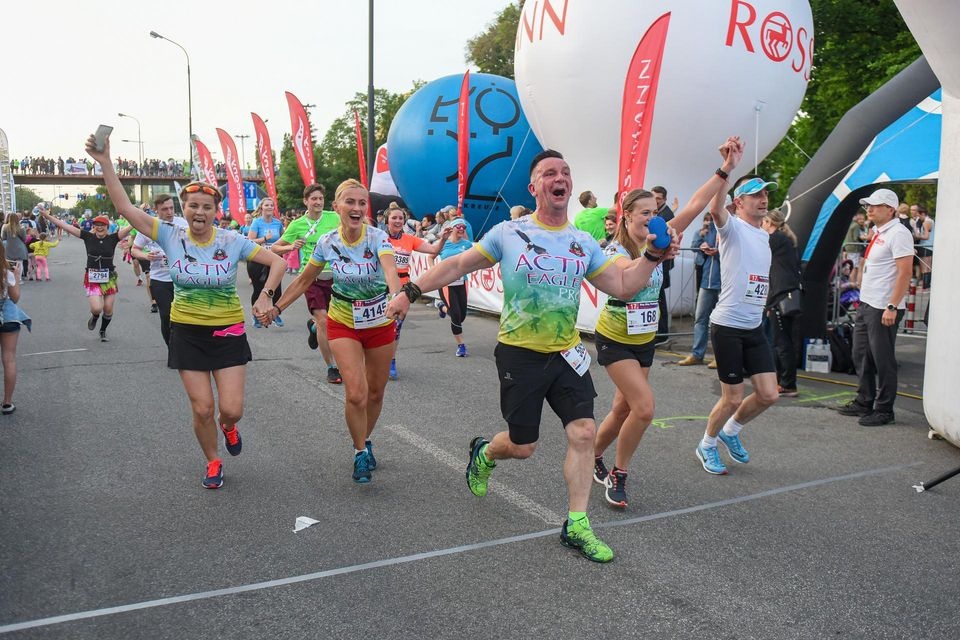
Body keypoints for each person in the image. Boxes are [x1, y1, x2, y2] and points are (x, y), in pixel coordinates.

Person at [386, 149, 681, 563]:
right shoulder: (509, 232)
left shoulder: (582, 242)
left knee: (583, 432)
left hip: (566, 353)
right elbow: (457, 266)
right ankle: (485, 452)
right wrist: (409, 291)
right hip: (519, 354)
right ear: (534, 187)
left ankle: (576, 524)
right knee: (523, 446)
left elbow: (622, 285)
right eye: (549, 173)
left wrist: (651, 256)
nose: (560, 178)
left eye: (565, 172)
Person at [87, 132, 286, 489]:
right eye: (193, 206)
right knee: (202, 408)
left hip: (228, 332)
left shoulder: (231, 240)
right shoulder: (170, 235)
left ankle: (229, 426)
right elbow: (126, 209)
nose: (199, 212)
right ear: (185, 209)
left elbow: (278, 263)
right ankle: (212, 461)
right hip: (188, 333)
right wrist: (105, 163)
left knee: (231, 409)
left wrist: (265, 296)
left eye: (207, 207)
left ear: (215, 212)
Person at [592, 142, 741, 508]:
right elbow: (626, 276)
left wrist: (726, 169)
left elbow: (695, 204)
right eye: (643, 212)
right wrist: (653, 254)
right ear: (626, 216)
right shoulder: (614, 250)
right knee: (644, 409)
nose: (650, 217)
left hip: (644, 340)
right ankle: (619, 474)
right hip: (615, 339)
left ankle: (590, 454)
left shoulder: (661, 235)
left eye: (654, 211)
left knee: (622, 409)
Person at [263, 179, 401, 484]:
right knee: (356, 393)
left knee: (376, 392)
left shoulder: (377, 237)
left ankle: (366, 438)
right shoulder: (327, 242)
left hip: (379, 321)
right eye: (350, 202)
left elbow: (390, 269)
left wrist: (397, 296)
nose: (357, 208)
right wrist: (276, 308)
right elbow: (303, 280)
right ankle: (359, 451)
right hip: (343, 322)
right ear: (337, 207)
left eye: (362, 203)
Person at [668, 152, 781, 476]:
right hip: (728, 325)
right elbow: (716, 209)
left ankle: (730, 432)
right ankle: (706, 444)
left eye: (765, 193)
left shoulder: (765, 235)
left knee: (769, 394)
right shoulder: (731, 228)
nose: (763, 199)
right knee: (732, 398)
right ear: (739, 202)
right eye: (756, 194)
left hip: (753, 326)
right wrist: (727, 170)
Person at [837, 189, 913, 426]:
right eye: (867, 205)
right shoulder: (880, 231)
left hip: (883, 306)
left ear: (890, 209)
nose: (869, 209)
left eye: (875, 205)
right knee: (860, 354)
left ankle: (884, 409)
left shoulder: (899, 233)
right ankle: (864, 400)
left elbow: (905, 273)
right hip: (868, 302)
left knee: (883, 359)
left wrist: (892, 306)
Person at [271, 184, 343, 384]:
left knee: (336, 322)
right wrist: (290, 247)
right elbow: (275, 248)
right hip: (311, 278)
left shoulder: (334, 217)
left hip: (336, 278)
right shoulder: (297, 225)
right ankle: (332, 367)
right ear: (306, 201)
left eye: (320, 198)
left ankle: (313, 328)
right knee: (324, 321)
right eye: (314, 199)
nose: (318, 202)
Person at [41, 211, 132, 342]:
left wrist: (140, 215)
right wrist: (48, 216)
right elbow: (65, 226)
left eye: (102, 225)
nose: (100, 227)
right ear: (93, 226)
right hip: (92, 277)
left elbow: (131, 226)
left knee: (108, 308)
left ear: (107, 226)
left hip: (109, 277)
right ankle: (95, 316)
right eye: (97, 225)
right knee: (97, 308)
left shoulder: (113, 238)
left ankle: (103, 331)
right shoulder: (88, 236)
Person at [384, 202, 448, 380]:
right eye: (394, 218)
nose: (398, 221)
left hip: (403, 288)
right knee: (379, 324)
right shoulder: (380, 238)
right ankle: (375, 357)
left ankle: (391, 361)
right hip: (382, 286)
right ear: (387, 220)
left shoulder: (409, 239)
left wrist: (443, 238)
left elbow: (434, 249)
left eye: (401, 218)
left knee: (396, 327)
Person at [130, 193, 186, 346]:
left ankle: (182, 347)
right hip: (160, 279)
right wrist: (146, 256)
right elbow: (134, 250)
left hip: (182, 278)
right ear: (156, 210)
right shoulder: (150, 226)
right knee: (166, 315)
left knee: (184, 317)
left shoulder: (182, 224)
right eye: (165, 209)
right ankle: (171, 348)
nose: (169, 212)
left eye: (171, 208)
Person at [763, 208, 802, 397]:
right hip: (785, 294)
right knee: (783, 340)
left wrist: (769, 302)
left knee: (782, 342)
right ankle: (782, 380)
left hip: (781, 295)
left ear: (770, 222)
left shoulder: (775, 239)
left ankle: (787, 383)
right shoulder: (786, 240)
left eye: (764, 222)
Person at [435, 219, 474, 357]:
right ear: (452, 229)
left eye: (464, 227)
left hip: (462, 282)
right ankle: (461, 346)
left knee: (462, 316)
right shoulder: (443, 244)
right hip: (446, 283)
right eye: (458, 226)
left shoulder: (467, 244)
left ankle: (441, 307)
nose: (462, 228)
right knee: (456, 315)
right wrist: (434, 271)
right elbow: (431, 256)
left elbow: (474, 259)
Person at [0, 242, 31, 415]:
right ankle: (7, 402)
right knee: (9, 358)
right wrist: (17, 277)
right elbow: (15, 298)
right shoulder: (6, 273)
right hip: (8, 316)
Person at [246, 197, 285, 328]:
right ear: (261, 207)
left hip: (275, 260)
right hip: (258, 260)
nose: (269, 207)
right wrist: (264, 239)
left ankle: (274, 313)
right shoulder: (257, 222)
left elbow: (283, 239)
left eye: (271, 205)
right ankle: (256, 315)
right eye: (267, 205)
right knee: (258, 289)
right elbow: (250, 241)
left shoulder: (277, 223)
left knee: (276, 289)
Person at [651, 186, 679, 347]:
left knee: (660, 298)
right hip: (657, 264)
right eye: (653, 197)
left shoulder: (666, 215)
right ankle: (659, 332)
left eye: (658, 198)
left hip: (662, 264)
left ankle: (662, 333)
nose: (655, 201)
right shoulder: (660, 213)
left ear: (664, 200)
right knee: (657, 297)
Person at [912, 204, 934, 290]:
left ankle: (926, 286)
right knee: (927, 267)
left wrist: (917, 236)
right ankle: (926, 285)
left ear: (923, 214)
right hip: (928, 246)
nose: (918, 217)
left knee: (925, 268)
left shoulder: (926, 222)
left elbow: (926, 236)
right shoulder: (930, 221)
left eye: (918, 215)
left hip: (925, 246)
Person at [2, 214, 29, 280]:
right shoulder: (21, 227)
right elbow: (24, 238)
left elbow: (3, 237)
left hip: (9, 247)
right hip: (19, 247)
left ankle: (10, 279)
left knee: (9, 263)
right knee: (19, 263)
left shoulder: (5, 227)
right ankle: (18, 279)